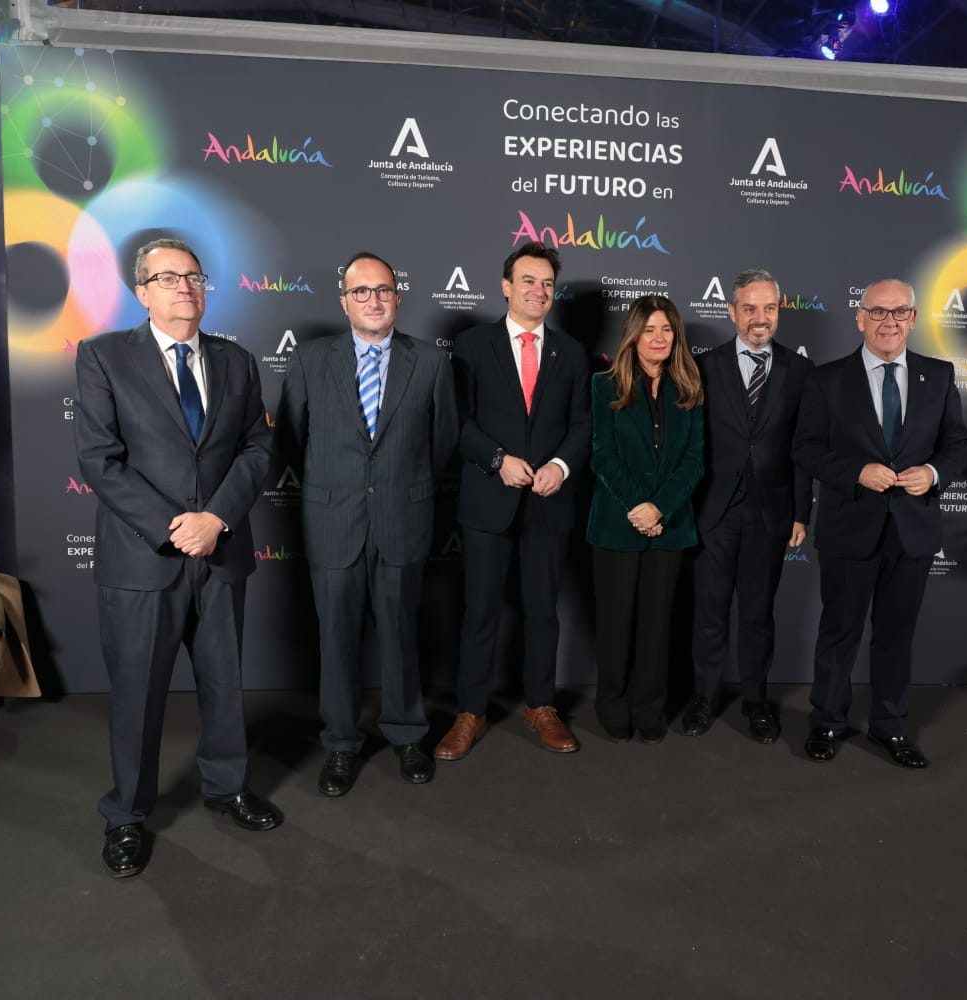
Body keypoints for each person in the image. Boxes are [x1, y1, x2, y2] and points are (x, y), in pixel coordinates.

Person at [74, 237, 279, 879]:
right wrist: (175, 527)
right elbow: (99, 460)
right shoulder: (103, 356)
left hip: (220, 550)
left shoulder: (239, 361)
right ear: (143, 292)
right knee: (138, 693)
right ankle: (127, 816)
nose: (183, 287)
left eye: (193, 276)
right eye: (167, 278)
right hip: (143, 558)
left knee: (223, 684)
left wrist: (216, 519)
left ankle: (226, 788)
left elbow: (258, 450)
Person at [274, 252, 458, 797]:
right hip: (334, 522)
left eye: (383, 290)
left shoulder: (431, 362)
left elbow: (442, 442)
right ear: (344, 301)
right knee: (336, 639)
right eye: (362, 292)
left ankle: (406, 734)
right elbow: (291, 439)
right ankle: (340, 744)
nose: (373, 300)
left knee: (401, 633)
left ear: (398, 298)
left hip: (404, 518)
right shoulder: (309, 360)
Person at [794, 278, 967, 768]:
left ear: (913, 319)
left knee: (896, 635)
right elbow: (805, 449)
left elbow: (957, 445)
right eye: (877, 311)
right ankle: (827, 721)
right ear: (860, 317)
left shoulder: (938, 375)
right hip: (850, 526)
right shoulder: (826, 379)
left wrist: (932, 474)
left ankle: (890, 728)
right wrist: (856, 472)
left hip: (911, 531)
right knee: (839, 632)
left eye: (898, 312)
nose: (888, 321)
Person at [438, 242, 591, 760]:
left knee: (543, 613)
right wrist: (497, 459)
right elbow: (458, 421)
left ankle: (541, 706)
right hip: (488, 500)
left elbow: (582, 424)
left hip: (549, 504)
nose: (539, 291)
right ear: (506, 287)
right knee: (479, 611)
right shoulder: (471, 345)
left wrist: (561, 466)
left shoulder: (570, 352)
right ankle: (470, 711)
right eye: (528, 281)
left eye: (547, 283)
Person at [686, 268, 814, 743]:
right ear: (731, 311)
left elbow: (803, 447)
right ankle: (703, 697)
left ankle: (756, 701)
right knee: (710, 612)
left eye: (769, 308)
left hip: (771, 513)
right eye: (750, 308)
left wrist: (802, 511)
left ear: (779, 311)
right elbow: (691, 444)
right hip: (713, 511)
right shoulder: (704, 366)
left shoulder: (800, 371)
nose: (760, 318)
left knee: (758, 614)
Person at [586, 295, 705, 743]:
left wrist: (662, 508)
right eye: (649, 329)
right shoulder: (604, 385)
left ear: (676, 336)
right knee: (616, 624)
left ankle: (649, 705)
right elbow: (602, 453)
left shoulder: (690, 388)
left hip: (670, 527)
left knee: (657, 626)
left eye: (667, 330)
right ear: (633, 335)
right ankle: (612, 703)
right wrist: (640, 508)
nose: (658, 338)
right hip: (617, 525)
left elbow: (694, 460)